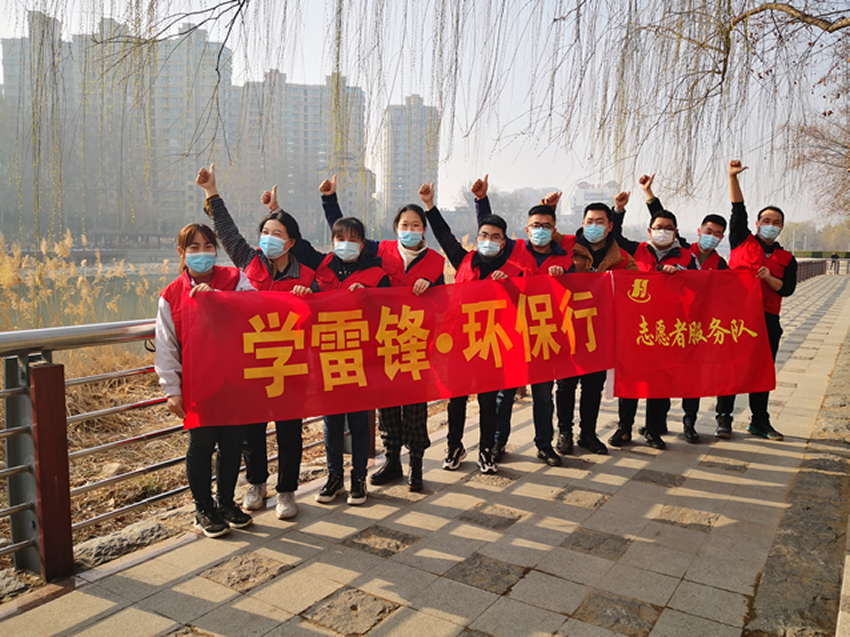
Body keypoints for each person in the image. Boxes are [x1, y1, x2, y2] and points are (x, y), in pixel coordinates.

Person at [196, 164, 315, 521]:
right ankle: (257, 484)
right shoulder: (250, 264)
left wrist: (309, 298)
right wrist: (211, 192)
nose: (269, 238)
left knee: (289, 431)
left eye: (277, 234)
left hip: (290, 363)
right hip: (252, 360)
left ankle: (287, 490)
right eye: (265, 232)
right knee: (252, 429)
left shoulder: (307, 276)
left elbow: (327, 314)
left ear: (291, 243)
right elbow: (227, 232)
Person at [317, 174, 445, 492]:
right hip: (384, 342)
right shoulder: (382, 252)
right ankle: (392, 461)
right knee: (387, 407)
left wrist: (431, 287)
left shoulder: (435, 263)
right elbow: (347, 236)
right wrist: (330, 200)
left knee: (414, 409)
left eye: (416, 225)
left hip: (415, 344)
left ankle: (416, 465)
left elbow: (443, 305)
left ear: (424, 230)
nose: (410, 230)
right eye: (405, 225)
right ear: (396, 228)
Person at [420, 181, 530, 474]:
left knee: (487, 402)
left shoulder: (512, 270)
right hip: (461, 342)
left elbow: (522, 303)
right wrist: (429, 205)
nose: (488, 240)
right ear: (477, 237)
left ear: (503, 242)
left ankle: (486, 450)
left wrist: (509, 285)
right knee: (456, 399)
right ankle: (454, 447)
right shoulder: (464, 260)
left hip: (492, 345)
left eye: (495, 237)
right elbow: (443, 235)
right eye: (484, 235)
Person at [154, 223, 256, 538]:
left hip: (234, 380)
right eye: (194, 247)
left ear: (216, 250)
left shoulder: (235, 279)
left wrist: (220, 299)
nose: (202, 253)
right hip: (198, 384)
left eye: (208, 246)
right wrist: (172, 390)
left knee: (232, 444)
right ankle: (203, 508)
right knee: (201, 445)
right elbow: (166, 346)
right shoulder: (171, 294)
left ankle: (226, 502)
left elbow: (256, 309)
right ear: (182, 253)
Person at [471, 175, 571, 466]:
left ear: (554, 230)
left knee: (543, 395)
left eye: (546, 226)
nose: (540, 231)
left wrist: (563, 278)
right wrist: (481, 200)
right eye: (535, 226)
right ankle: (498, 443)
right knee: (505, 395)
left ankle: (544, 445)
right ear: (527, 230)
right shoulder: (515, 251)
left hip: (544, 335)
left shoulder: (565, 259)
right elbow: (490, 229)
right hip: (511, 335)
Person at [638, 173, 728, 443]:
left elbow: (726, 292)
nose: (712, 237)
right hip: (668, 323)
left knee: (692, 376)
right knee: (663, 375)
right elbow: (662, 222)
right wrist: (649, 194)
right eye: (708, 231)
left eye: (718, 234)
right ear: (698, 232)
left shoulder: (721, 264)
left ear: (722, 237)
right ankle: (657, 422)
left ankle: (689, 423)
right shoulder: (685, 251)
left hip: (696, 325)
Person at [310, 214, 391, 505]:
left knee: (358, 421)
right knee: (331, 422)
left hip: (361, 357)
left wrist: (369, 297)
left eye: (353, 239)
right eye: (340, 238)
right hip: (328, 355)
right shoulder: (323, 270)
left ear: (363, 243)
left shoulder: (377, 275)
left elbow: (388, 313)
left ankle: (358, 478)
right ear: (333, 241)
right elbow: (312, 309)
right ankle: (334, 478)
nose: (346, 244)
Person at [609, 194, 700, 450]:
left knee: (660, 381)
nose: (663, 232)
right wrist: (618, 210)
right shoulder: (636, 250)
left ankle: (653, 430)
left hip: (667, 330)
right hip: (635, 328)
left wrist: (681, 274)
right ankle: (624, 429)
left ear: (676, 233)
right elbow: (613, 237)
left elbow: (701, 285)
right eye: (658, 227)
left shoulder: (686, 257)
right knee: (630, 379)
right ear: (649, 231)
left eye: (668, 228)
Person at [715, 160, 797, 440]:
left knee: (762, 371)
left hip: (767, 320)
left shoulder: (787, 258)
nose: (770, 226)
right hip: (736, 319)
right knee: (730, 367)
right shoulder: (742, 240)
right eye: (766, 221)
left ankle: (759, 421)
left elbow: (787, 289)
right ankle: (723, 418)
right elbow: (737, 208)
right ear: (757, 224)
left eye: (776, 222)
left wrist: (769, 278)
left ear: (781, 227)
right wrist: (732, 177)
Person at [550, 196, 638, 456]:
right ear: (582, 223)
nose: (594, 226)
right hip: (568, 327)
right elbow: (542, 236)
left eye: (600, 222)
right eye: (589, 221)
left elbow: (636, 287)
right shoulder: (567, 246)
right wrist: (551, 207)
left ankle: (587, 433)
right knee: (565, 383)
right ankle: (564, 432)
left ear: (610, 226)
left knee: (593, 385)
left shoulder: (622, 258)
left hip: (600, 331)